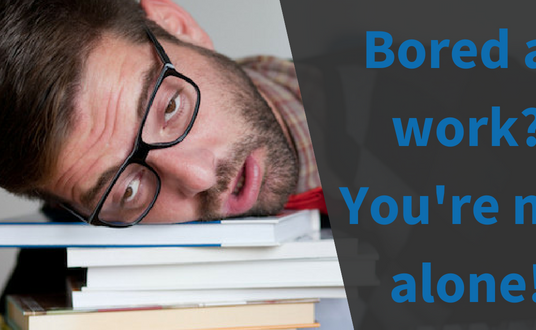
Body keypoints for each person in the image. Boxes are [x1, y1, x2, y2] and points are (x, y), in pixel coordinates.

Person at [0, 0, 324, 311]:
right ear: (73, 211)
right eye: (127, 189)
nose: (200, 177)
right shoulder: (53, 286)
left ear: (179, 26)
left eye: (170, 108)